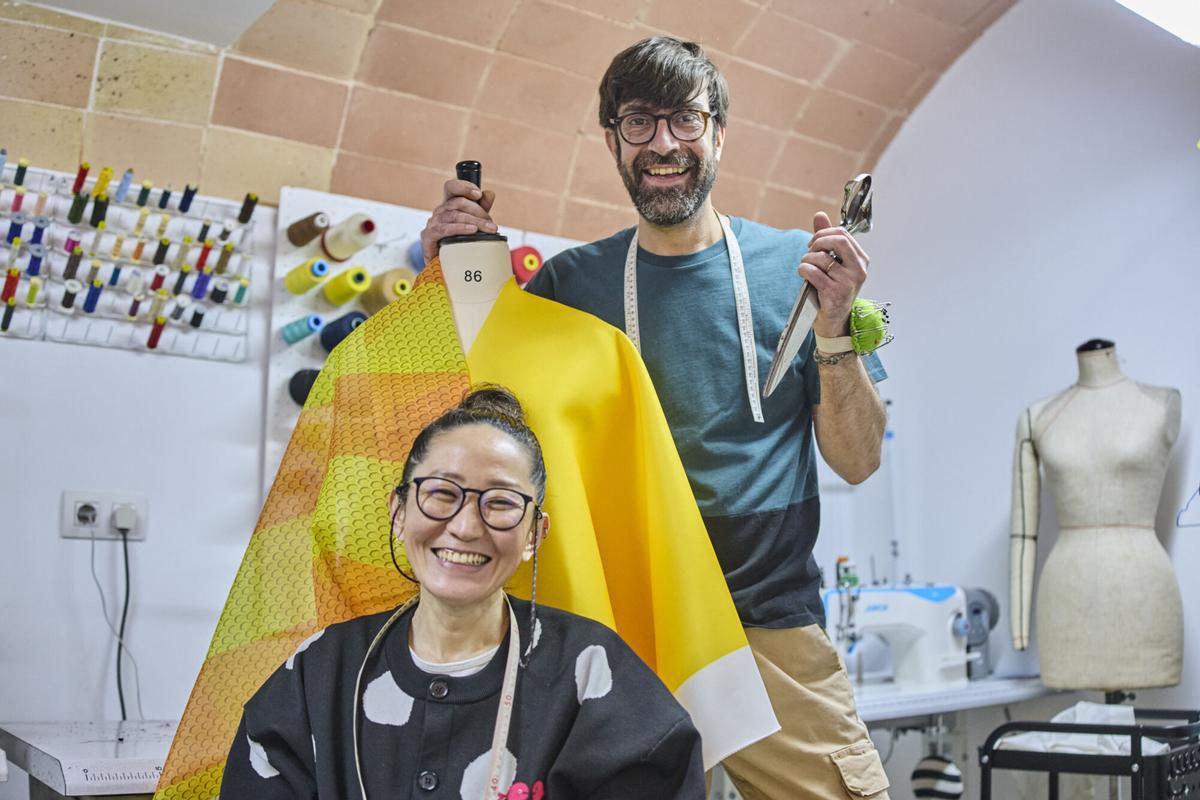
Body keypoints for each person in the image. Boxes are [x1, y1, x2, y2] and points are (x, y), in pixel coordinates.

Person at [422, 36, 891, 800]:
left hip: (768, 625)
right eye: (639, 122)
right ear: (611, 140)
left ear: (718, 133)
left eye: (685, 120)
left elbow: (859, 459)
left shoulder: (796, 273)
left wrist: (835, 332)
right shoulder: (570, 284)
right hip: (624, 628)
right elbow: (467, 401)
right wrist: (448, 276)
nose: (664, 143)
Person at [219, 387, 705, 800]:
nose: (466, 527)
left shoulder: (593, 675)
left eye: (500, 503)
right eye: (441, 493)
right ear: (399, 511)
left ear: (535, 533)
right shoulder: (319, 672)